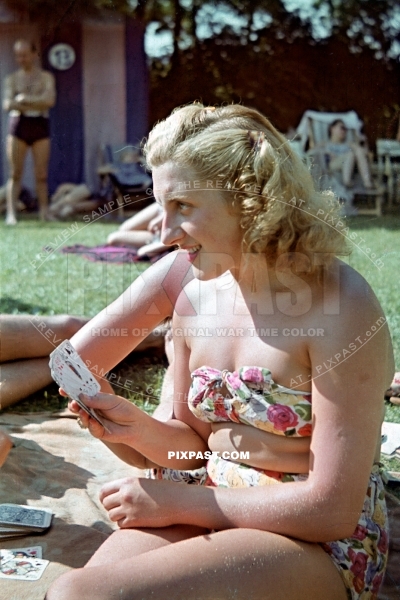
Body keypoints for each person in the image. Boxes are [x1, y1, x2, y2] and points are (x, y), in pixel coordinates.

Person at [46, 103, 394, 600]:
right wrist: (131, 426)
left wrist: (183, 506)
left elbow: (331, 509)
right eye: (160, 207)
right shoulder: (191, 288)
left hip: (313, 539)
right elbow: (192, 447)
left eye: (183, 207)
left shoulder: (340, 306)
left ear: (253, 199)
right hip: (206, 495)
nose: (162, 235)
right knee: (73, 590)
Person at [2, 39, 56, 225]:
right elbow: (7, 104)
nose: (21, 59)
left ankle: (44, 212)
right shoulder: (12, 79)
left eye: (24, 55)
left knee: (41, 174)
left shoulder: (45, 77)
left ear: (34, 54)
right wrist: (35, 101)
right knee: (15, 173)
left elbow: (49, 100)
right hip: (19, 126)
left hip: (40, 124)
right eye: (18, 55)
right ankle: (11, 214)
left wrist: (24, 99)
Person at [325, 119, 374, 189]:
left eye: (345, 129)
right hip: (334, 163)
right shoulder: (326, 144)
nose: (344, 131)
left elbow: (365, 153)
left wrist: (363, 142)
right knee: (350, 154)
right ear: (332, 129)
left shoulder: (349, 144)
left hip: (350, 162)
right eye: (342, 128)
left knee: (358, 151)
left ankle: (367, 182)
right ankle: (347, 181)